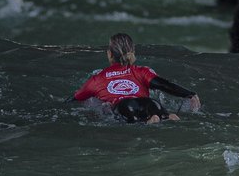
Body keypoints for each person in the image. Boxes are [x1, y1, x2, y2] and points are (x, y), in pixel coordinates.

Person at [71, 33, 201, 124]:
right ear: (132, 52)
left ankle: (149, 121)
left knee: (138, 123)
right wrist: (189, 94)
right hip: (150, 103)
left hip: (124, 107)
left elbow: (76, 98)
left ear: (109, 54)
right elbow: (164, 85)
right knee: (166, 117)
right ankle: (168, 116)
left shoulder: (97, 79)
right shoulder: (141, 71)